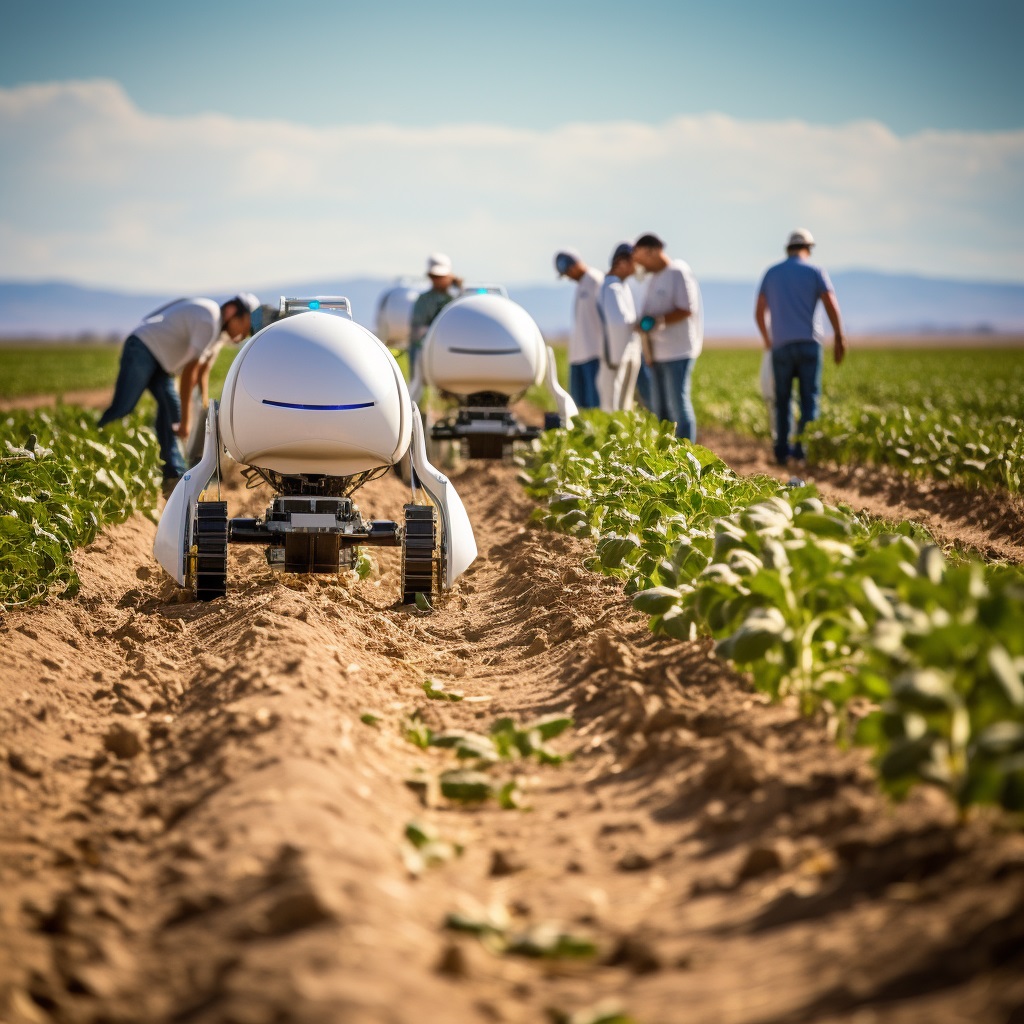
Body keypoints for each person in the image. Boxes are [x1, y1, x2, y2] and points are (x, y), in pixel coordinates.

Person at [98, 294, 259, 487]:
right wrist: (187, 421)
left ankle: (174, 475)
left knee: (170, 412)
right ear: (233, 312)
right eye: (245, 328)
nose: (242, 336)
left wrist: (200, 402)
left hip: (163, 364)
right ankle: (95, 448)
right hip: (143, 348)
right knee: (123, 407)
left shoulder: (215, 329)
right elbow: (190, 371)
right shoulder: (209, 320)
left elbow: (199, 370)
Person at [755, 228, 845, 466]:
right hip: (809, 345)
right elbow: (830, 303)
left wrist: (767, 339)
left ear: (788, 248)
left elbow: (759, 310)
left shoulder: (771, 273)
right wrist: (839, 336)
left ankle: (781, 451)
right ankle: (801, 450)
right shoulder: (816, 271)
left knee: (782, 399)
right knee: (809, 399)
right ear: (809, 249)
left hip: (781, 346)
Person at [632, 233, 703, 440]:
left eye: (640, 258)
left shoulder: (677, 271)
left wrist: (657, 321)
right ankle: (665, 455)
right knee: (660, 410)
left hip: (677, 352)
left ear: (651, 251)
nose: (639, 264)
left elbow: (686, 308)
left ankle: (686, 453)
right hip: (657, 354)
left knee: (678, 406)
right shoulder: (654, 278)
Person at [597, 242, 643, 412]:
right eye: (634, 261)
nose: (637, 267)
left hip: (627, 353)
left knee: (624, 405)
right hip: (616, 357)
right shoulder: (611, 287)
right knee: (613, 406)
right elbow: (617, 322)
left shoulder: (622, 287)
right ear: (622, 262)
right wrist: (637, 324)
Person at [554, 248, 602, 410]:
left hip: (594, 353)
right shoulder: (582, 284)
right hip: (579, 354)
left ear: (574, 266)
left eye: (568, 272)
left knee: (594, 404)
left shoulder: (595, 280)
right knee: (579, 405)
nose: (568, 277)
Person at [408, 253, 461, 380]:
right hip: (428, 350)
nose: (437, 280)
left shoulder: (459, 297)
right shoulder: (424, 300)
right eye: (434, 277)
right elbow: (416, 331)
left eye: (440, 277)